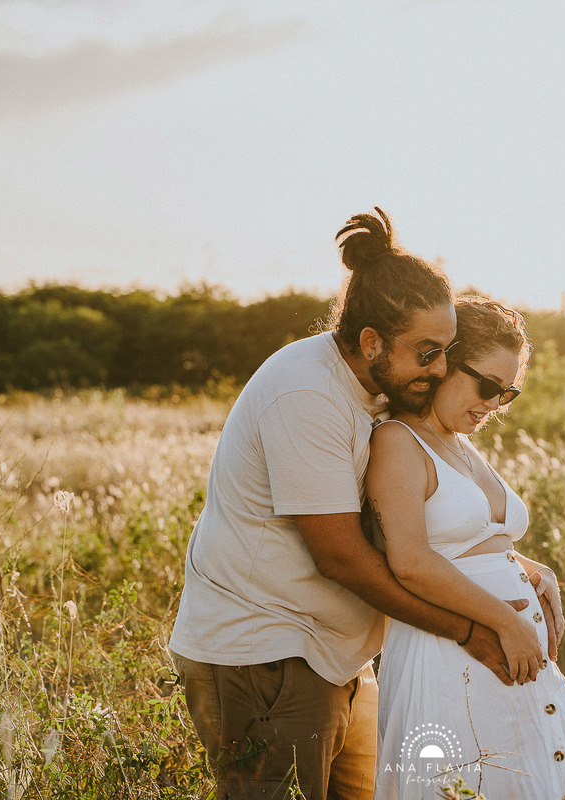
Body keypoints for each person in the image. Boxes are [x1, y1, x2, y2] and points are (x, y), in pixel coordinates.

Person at [167, 209, 532, 800]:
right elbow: (340, 556)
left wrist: (520, 573)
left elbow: (412, 526)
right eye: (427, 352)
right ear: (370, 341)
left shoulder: (378, 391)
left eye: (446, 352)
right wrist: (468, 630)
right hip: (267, 653)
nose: (439, 369)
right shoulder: (307, 396)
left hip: (335, 657)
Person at [367, 297, 565, 799]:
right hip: (451, 656)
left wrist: (535, 570)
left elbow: (472, 542)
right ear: (445, 362)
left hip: (510, 659)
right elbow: (409, 560)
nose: (495, 404)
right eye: (489, 386)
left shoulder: (460, 442)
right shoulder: (398, 441)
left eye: (508, 393)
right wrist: (507, 620)